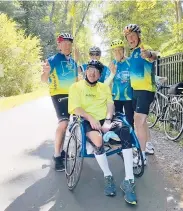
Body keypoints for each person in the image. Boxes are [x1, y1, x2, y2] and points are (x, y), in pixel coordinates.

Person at [69, 60, 137, 205]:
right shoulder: (76, 86)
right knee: (98, 140)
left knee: (126, 131)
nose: (93, 73)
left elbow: (110, 104)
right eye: (90, 70)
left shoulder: (104, 87)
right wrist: (90, 117)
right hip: (87, 120)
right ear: (86, 71)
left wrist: (107, 120)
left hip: (105, 119)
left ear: (100, 75)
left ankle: (128, 180)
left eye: (96, 72)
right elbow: (75, 108)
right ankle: (108, 175)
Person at [41, 32, 78, 171]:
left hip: (73, 95)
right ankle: (57, 156)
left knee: (69, 124)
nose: (67, 46)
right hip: (58, 94)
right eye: (64, 43)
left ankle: (61, 151)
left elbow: (76, 81)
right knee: (63, 123)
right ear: (59, 45)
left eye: (69, 44)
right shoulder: (53, 60)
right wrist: (45, 72)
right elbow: (44, 80)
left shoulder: (73, 62)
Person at [123, 24, 158, 163]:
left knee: (138, 121)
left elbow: (153, 56)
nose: (130, 38)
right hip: (136, 91)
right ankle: (148, 145)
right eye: (128, 37)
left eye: (133, 35)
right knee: (142, 122)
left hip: (145, 90)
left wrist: (149, 54)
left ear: (138, 36)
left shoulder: (144, 48)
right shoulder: (133, 52)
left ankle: (141, 156)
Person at [105, 39, 134, 128]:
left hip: (129, 97)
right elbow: (105, 84)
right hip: (116, 97)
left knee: (130, 121)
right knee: (117, 121)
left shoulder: (130, 62)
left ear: (123, 50)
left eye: (119, 50)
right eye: (115, 50)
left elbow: (139, 75)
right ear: (113, 52)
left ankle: (130, 140)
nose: (117, 52)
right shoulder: (112, 64)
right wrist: (112, 73)